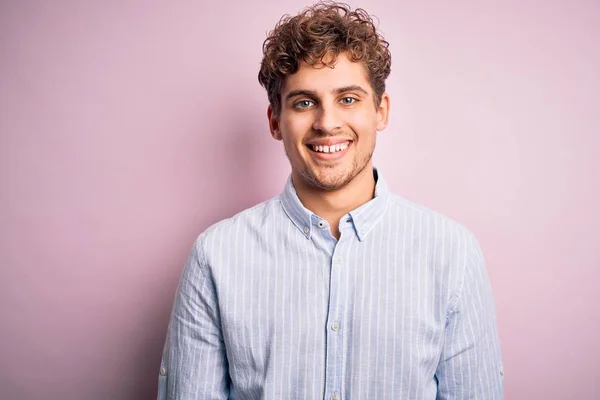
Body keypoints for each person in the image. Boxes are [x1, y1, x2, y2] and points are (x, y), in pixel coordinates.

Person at [157, 2, 503, 399]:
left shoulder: (452, 254)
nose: (327, 122)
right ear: (274, 121)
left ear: (381, 111)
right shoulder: (216, 256)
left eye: (349, 99)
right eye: (305, 102)